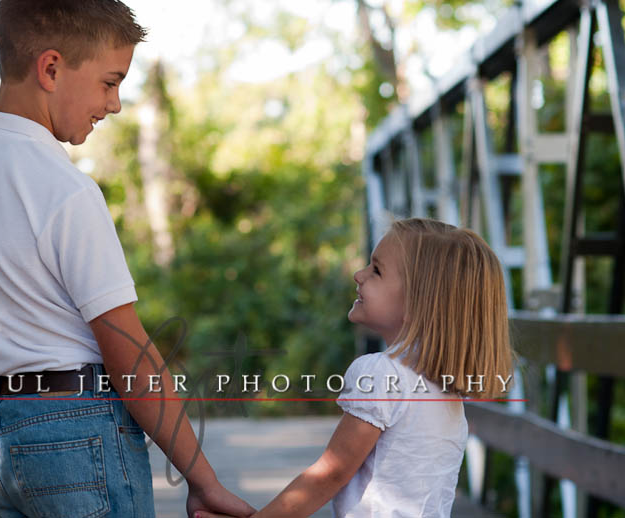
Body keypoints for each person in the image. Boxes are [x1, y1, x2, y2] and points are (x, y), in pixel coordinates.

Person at [0, 0, 254, 518]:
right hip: (75, 432)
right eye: (109, 81)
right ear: (51, 68)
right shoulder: (62, 187)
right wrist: (203, 478)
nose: (116, 103)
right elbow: (128, 352)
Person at [197, 218, 513, 518]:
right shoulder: (444, 388)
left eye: (376, 270)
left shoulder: (380, 372)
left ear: (418, 301)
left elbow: (331, 473)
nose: (358, 274)